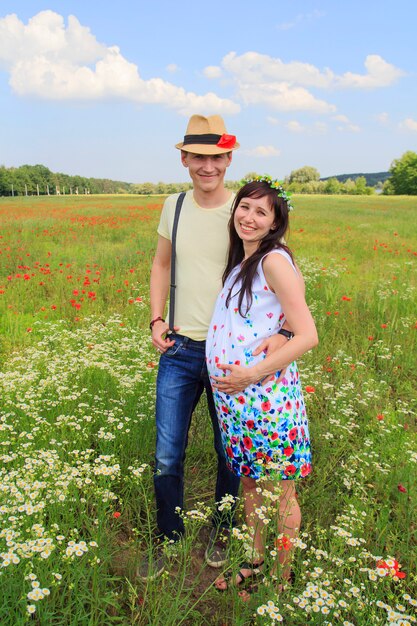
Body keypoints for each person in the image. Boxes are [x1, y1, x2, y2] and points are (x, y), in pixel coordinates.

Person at [144, 116, 289, 579]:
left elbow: (278, 274)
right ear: (185, 159)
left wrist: (284, 332)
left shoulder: (245, 210)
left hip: (233, 355)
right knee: (168, 450)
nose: (208, 166)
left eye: (217, 157)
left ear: (229, 159)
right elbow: (161, 264)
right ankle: (168, 539)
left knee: (231, 451)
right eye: (198, 157)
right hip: (182, 347)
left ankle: (223, 533)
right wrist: (156, 317)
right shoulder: (175, 206)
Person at [205, 176, 318, 595]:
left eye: (261, 211)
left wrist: (254, 373)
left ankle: (282, 577)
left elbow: (309, 333)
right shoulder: (245, 260)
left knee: (281, 493)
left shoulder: (273, 260)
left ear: (275, 222)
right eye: (244, 207)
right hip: (237, 402)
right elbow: (284, 312)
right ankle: (254, 560)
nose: (249, 218)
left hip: (266, 400)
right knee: (250, 482)